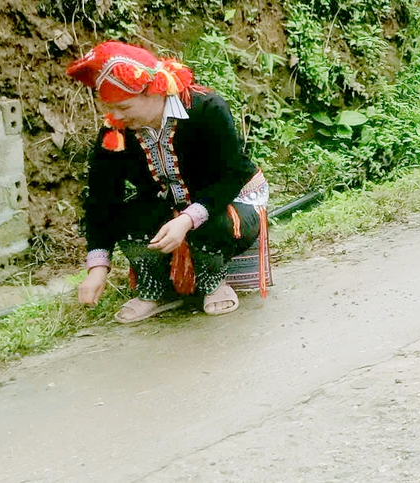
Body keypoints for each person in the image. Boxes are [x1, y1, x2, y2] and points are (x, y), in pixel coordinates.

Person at [67, 42, 270, 323]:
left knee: (212, 222)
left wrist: (187, 219)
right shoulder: (115, 130)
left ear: (154, 93)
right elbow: (103, 198)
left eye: (124, 107)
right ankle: (155, 288)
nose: (117, 117)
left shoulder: (207, 108)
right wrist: (98, 267)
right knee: (129, 216)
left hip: (229, 199)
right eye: (111, 109)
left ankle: (214, 281)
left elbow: (230, 176)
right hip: (170, 202)